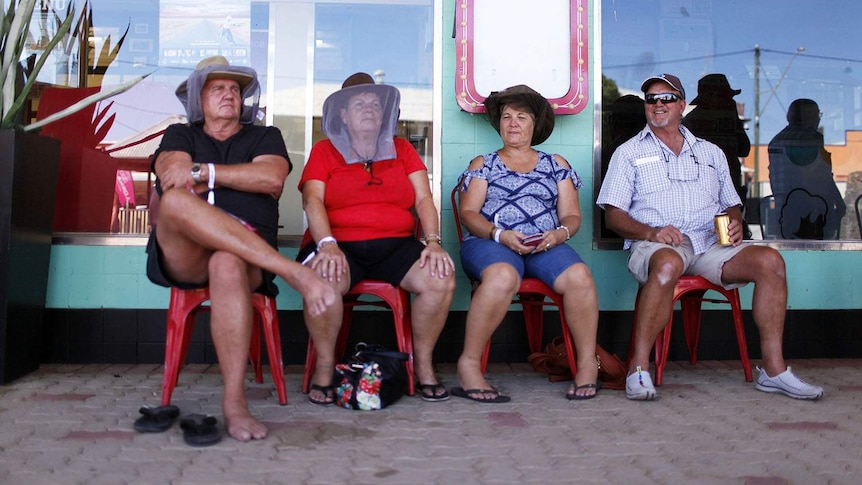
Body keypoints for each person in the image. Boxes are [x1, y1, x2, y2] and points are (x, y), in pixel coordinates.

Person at [597, 73, 823, 401]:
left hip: (708, 245)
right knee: (665, 266)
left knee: (770, 261)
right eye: (651, 99)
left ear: (682, 105)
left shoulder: (710, 152)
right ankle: (638, 368)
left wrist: (733, 223)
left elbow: (732, 205)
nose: (658, 105)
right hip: (658, 244)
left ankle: (773, 371)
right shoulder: (628, 152)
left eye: (667, 98)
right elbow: (613, 214)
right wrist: (651, 231)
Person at [146, 56, 336, 442]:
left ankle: (234, 402)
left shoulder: (264, 137)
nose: (229, 94)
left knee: (227, 261)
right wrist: (230, 179)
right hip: (186, 253)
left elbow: (270, 177)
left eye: (235, 89)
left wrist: (205, 174)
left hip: (245, 258)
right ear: (198, 99)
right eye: (218, 88)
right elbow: (174, 180)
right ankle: (293, 271)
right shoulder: (179, 135)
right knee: (176, 203)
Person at [297, 72, 455, 405]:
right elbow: (312, 200)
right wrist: (326, 244)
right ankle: (325, 369)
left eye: (374, 103)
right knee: (322, 281)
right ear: (342, 113)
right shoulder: (325, 151)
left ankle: (423, 366)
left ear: (385, 113)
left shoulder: (402, 149)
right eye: (359, 103)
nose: (368, 108)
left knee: (440, 277)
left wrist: (433, 241)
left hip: (395, 245)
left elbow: (424, 199)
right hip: (337, 245)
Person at [454, 85, 599, 403]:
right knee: (503, 275)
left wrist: (559, 234)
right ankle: (468, 365)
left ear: (535, 124)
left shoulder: (555, 163)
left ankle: (587, 364)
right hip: (490, 242)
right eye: (507, 117)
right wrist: (499, 234)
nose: (513, 123)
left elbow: (572, 215)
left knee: (580, 278)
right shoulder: (484, 163)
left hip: (545, 244)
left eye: (521, 116)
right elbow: (468, 213)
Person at [682, 74, 752, 238]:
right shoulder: (691, 124)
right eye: (724, 98)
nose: (727, 103)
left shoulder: (728, 119)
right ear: (710, 98)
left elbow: (744, 149)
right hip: (701, 196)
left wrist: (733, 122)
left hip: (730, 191)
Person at [768, 98, 846, 239]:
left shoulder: (776, 141)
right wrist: (838, 202)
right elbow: (823, 176)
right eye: (817, 115)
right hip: (814, 213)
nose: (818, 120)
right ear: (808, 117)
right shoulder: (812, 139)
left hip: (784, 214)